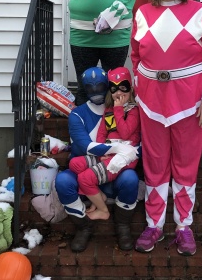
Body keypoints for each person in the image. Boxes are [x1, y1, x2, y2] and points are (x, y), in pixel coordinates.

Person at [130, 0, 202, 256]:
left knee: (185, 167)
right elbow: (136, 54)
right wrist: (140, 88)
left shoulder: (200, 12)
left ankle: (184, 226)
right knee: (155, 167)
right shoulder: (142, 12)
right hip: (152, 102)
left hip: (190, 103)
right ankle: (154, 224)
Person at [55, 67, 140, 252]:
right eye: (90, 87)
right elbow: (87, 146)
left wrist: (130, 150)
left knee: (130, 179)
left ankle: (122, 227)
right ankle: (83, 226)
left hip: (115, 167)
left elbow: (136, 139)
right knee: (63, 180)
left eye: (101, 85)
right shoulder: (78, 114)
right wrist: (120, 148)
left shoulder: (128, 109)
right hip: (90, 162)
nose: (96, 91)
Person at [69, 66, 141, 221]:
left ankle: (103, 210)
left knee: (85, 179)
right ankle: (99, 196)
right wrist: (102, 153)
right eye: (114, 89)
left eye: (124, 87)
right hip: (108, 153)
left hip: (123, 158)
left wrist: (119, 109)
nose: (119, 93)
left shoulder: (133, 110)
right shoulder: (109, 109)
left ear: (131, 88)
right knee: (75, 164)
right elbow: (102, 132)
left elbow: (125, 132)